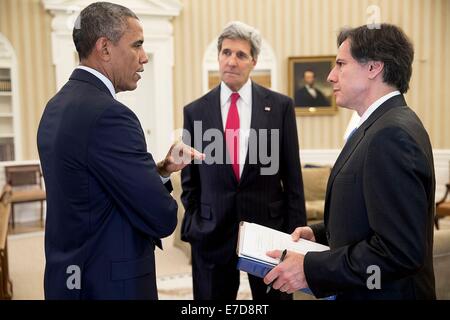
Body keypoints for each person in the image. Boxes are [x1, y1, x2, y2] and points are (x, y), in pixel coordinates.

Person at [37, 2, 203, 300]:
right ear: (105, 48)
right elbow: (162, 217)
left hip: (69, 277)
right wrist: (160, 192)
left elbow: (93, 190)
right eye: (137, 45)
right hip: (108, 283)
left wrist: (161, 170)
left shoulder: (56, 106)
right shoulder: (111, 116)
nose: (143, 58)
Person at [264, 23, 436, 300]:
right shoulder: (378, 126)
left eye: (341, 64)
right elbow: (368, 218)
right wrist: (320, 235)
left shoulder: (391, 135)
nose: (331, 76)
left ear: (373, 68)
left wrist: (310, 267)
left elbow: (398, 251)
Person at [180, 21, 306, 300]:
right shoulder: (195, 111)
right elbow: (190, 181)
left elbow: (293, 177)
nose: (231, 61)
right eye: (226, 53)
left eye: (240, 55)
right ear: (218, 57)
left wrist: (294, 237)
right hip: (212, 233)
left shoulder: (280, 106)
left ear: (254, 61)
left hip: (268, 233)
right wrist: (195, 222)